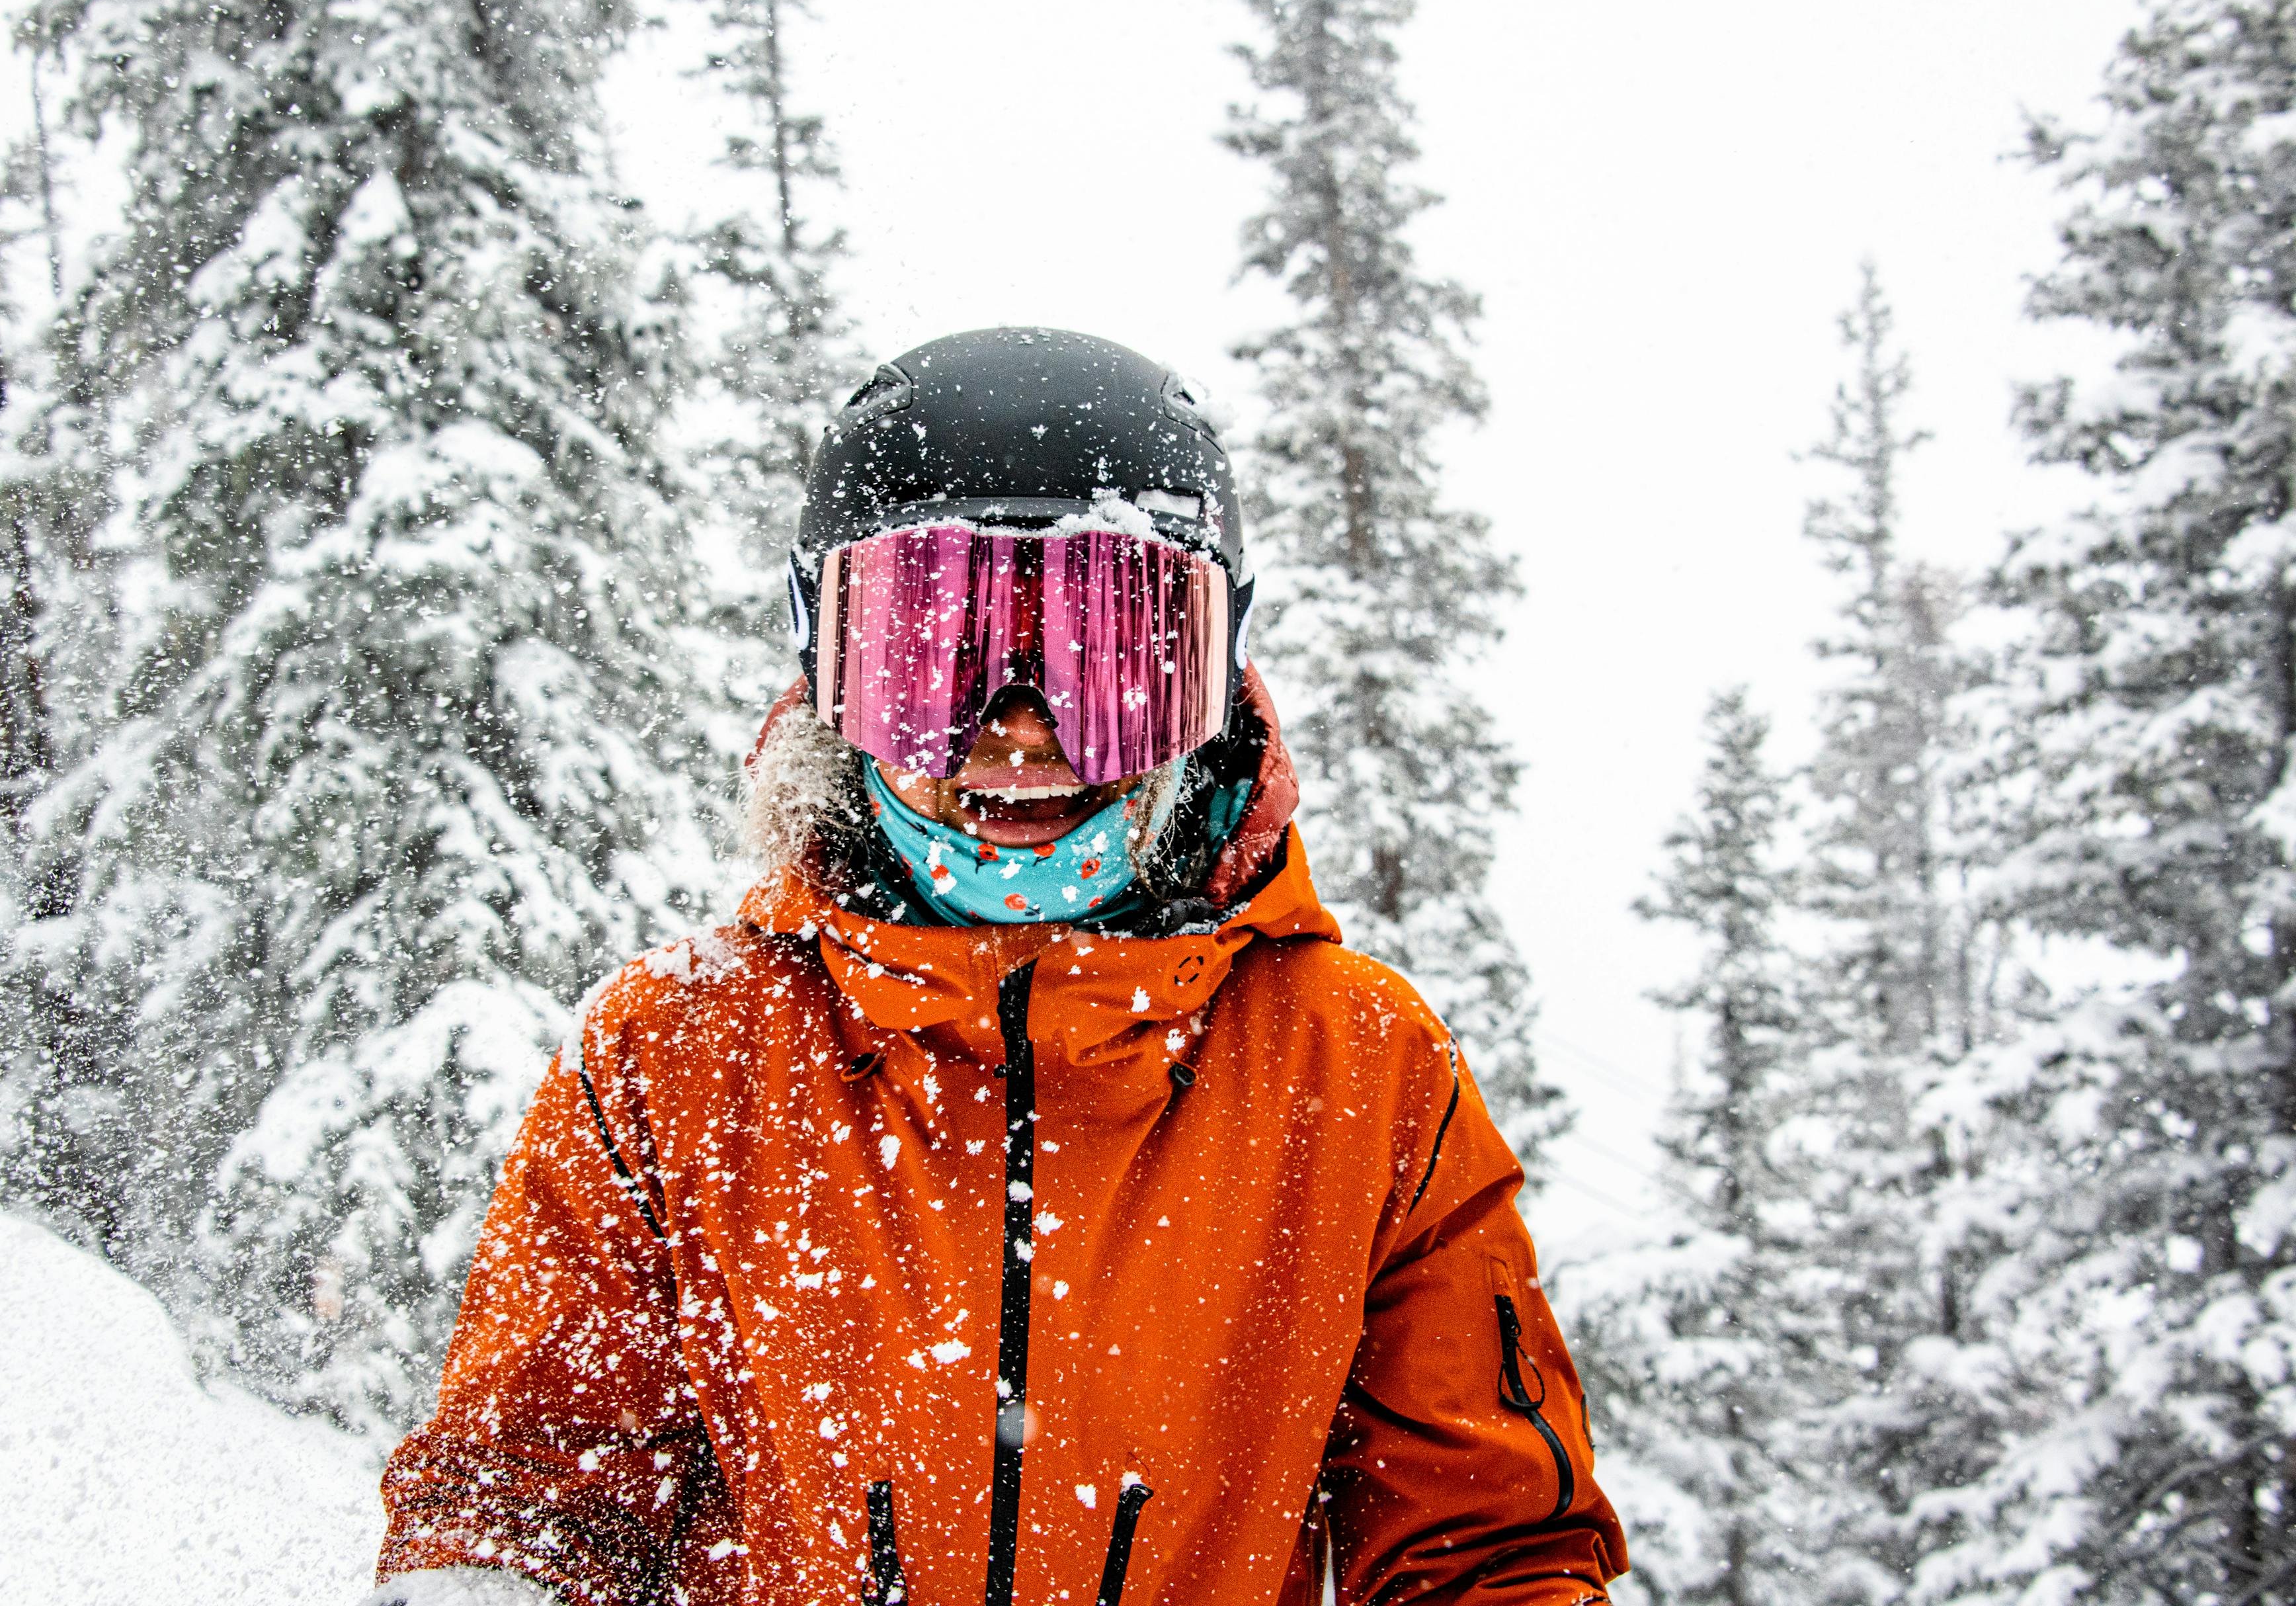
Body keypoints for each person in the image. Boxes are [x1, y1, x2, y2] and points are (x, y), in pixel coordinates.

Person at [367, 329, 1626, 1606]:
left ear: (1208, 680)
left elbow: (1486, 1552)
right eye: (931, 651)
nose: (1020, 733)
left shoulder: (1353, 1067)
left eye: (1109, 657)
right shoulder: (680, 1056)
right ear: (825, 666)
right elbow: (524, 1505)